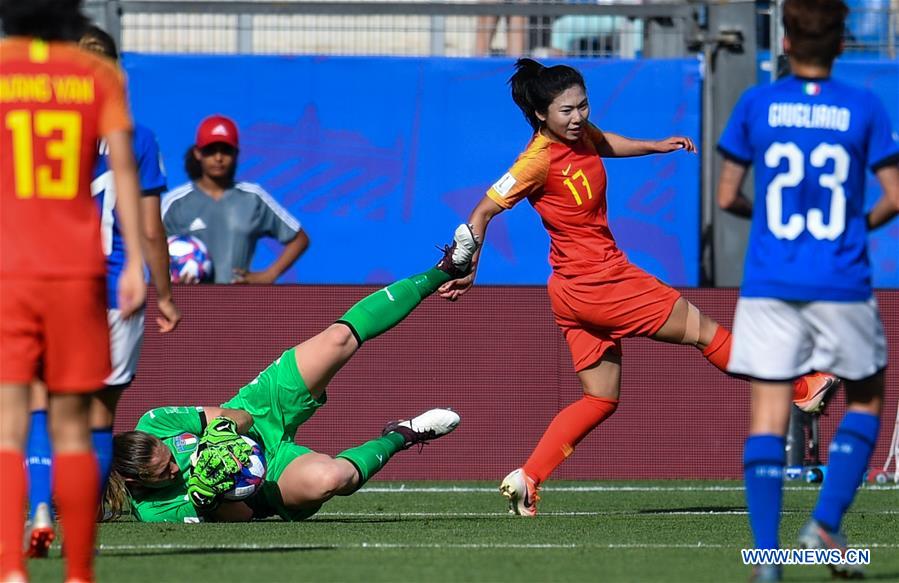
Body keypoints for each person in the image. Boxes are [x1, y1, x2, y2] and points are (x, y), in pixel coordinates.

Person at [437, 58, 840, 518]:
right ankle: (802, 386)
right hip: (602, 282)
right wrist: (468, 265)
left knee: (600, 398)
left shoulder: (581, 134)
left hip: (573, 290)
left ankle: (527, 478)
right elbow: (483, 210)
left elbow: (605, 142)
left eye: (583, 105)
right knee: (706, 332)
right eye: (566, 110)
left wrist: (654, 145)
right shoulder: (535, 160)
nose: (579, 117)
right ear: (540, 116)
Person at [102, 225, 478, 523]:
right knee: (331, 480)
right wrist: (210, 497)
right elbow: (243, 516)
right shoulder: (155, 511)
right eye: (166, 470)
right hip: (266, 479)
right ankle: (402, 435)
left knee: (338, 339)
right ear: (138, 482)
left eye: (168, 455)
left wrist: (216, 438)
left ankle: (445, 269)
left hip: (260, 411)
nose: (172, 464)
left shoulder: (154, 424)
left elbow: (241, 418)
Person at [716, 0, 899, 579]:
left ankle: (768, 561)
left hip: (772, 281)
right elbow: (894, 195)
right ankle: (823, 525)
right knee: (867, 397)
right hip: (841, 279)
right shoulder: (864, 106)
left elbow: (726, 196)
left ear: (786, 42)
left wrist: (768, 220)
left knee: (768, 415)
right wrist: (853, 224)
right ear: (843, 43)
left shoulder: (757, 103)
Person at [22, 24, 184, 559]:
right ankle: (82, 523)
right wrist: (163, 293)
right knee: (99, 415)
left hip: (48, 283)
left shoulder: (35, 129)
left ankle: (42, 504)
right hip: (118, 289)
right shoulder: (136, 137)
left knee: (42, 404)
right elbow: (152, 229)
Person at [0, 0, 147, 580]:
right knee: (73, 426)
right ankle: (79, 572)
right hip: (77, 271)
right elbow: (127, 173)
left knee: (10, 425)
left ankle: (10, 567)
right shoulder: (97, 75)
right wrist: (135, 261)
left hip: (11, 269)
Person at [161, 115, 310, 284]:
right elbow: (150, 246)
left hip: (238, 304)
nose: (218, 157)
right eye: (211, 150)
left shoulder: (253, 198)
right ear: (198, 153)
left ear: (236, 153)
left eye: (225, 150)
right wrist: (169, 278)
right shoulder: (175, 203)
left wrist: (269, 275)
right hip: (187, 305)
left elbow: (299, 239)